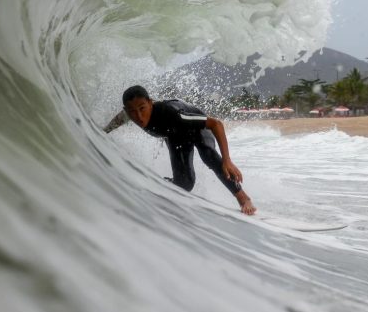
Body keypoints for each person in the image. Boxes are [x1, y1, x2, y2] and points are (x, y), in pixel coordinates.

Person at [103, 85, 256, 215]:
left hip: (197, 130)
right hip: (176, 136)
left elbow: (216, 124)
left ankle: (243, 198)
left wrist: (227, 160)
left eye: (142, 109)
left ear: (150, 103)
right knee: (185, 184)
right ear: (127, 110)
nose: (139, 116)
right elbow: (119, 119)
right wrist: (103, 132)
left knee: (208, 155)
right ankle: (161, 187)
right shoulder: (129, 113)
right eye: (132, 111)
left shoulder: (172, 114)